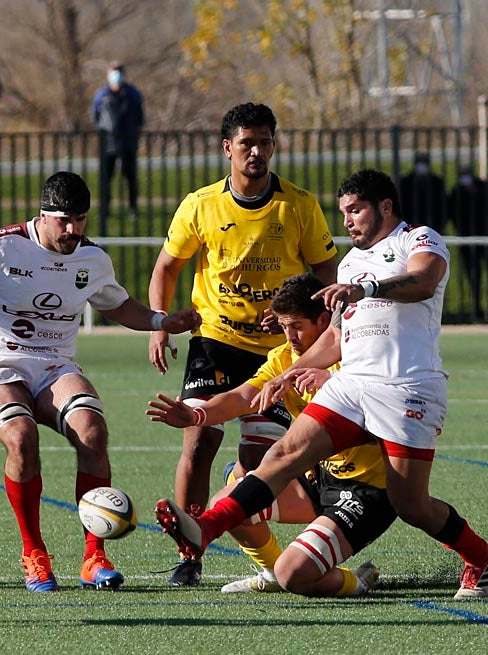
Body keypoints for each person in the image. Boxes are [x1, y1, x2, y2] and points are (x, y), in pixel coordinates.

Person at [155, 169, 488, 600]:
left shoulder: (418, 239)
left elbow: (424, 280)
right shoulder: (351, 263)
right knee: (282, 453)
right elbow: (337, 338)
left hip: (406, 388)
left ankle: (481, 556)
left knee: (410, 504)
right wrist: (284, 375)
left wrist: (367, 289)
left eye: (354, 210)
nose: (347, 222)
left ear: (385, 207)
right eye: (342, 212)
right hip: (353, 386)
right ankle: (204, 529)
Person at [0, 171, 200, 593]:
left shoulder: (91, 258)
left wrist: (160, 321)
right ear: (42, 215)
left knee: (92, 430)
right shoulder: (0, 244)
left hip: (55, 365)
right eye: (63, 220)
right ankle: (34, 553)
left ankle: (94, 556)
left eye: (80, 219)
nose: (73, 229)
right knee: (21, 437)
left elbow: (117, 305)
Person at [147, 102, 337, 587]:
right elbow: (167, 267)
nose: (257, 151)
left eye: (265, 142)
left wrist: (327, 331)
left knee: (259, 461)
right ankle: (190, 551)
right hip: (216, 340)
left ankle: (269, 564)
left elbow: (327, 274)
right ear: (227, 147)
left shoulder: (298, 205)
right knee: (199, 439)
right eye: (247, 143)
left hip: (276, 349)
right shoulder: (200, 204)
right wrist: (159, 325)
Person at [147, 273, 390, 597]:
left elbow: (387, 422)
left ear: (323, 320)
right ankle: (273, 572)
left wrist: (333, 387)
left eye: (297, 326)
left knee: (298, 574)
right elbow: (243, 396)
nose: (289, 336)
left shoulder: (358, 357)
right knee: (227, 501)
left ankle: (356, 582)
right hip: (317, 479)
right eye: (284, 326)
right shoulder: (284, 358)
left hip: (366, 491)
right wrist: (197, 415)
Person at [90, 61, 144, 230]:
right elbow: (96, 114)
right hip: (108, 142)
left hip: (128, 141)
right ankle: (105, 209)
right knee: (106, 178)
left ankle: (133, 208)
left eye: (119, 72)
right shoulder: (102, 95)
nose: (116, 75)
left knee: (130, 176)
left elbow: (140, 116)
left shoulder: (132, 94)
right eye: (113, 72)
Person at [449, 165, 488, 320]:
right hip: (468, 240)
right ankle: (476, 311)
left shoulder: (485, 187)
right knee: (473, 277)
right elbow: (452, 212)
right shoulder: (457, 191)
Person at [397, 152, 447, 234]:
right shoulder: (405, 182)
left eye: (424, 162)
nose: (422, 166)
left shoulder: (437, 182)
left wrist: (441, 225)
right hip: (410, 224)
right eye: (420, 162)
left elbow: (442, 204)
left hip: (433, 225)